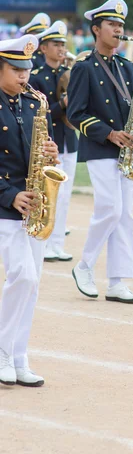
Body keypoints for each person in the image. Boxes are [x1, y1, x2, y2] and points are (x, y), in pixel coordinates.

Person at [67, 0, 133, 304]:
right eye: (112, 25)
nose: (118, 30)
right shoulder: (83, 68)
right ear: (96, 29)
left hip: (129, 150)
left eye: (121, 25)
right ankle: (85, 265)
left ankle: (118, 281)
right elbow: (76, 114)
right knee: (110, 209)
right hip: (100, 148)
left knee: (125, 216)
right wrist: (109, 133)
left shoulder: (129, 67)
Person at [0, 34, 59, 387]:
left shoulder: (33, 103)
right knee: (22, 275)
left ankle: (19, 356)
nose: (25, 76)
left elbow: (39, 149)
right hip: (6, 205)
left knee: (32, 283)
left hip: (34, 204)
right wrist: (10, 195)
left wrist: (50, 152)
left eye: (27, 68)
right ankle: (3, 352)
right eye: (16, 69)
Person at [29, 21, 77, 262]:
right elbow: (41, 113)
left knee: (65, 194)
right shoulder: (37, 78)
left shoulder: (70, 73)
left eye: (62, 44)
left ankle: (57, 243)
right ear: (43, 48)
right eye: (55, 44)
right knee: (48, 194)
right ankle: (45, 241)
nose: (61, 49)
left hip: (69, 139)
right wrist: (64, 105)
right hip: (50, 141)